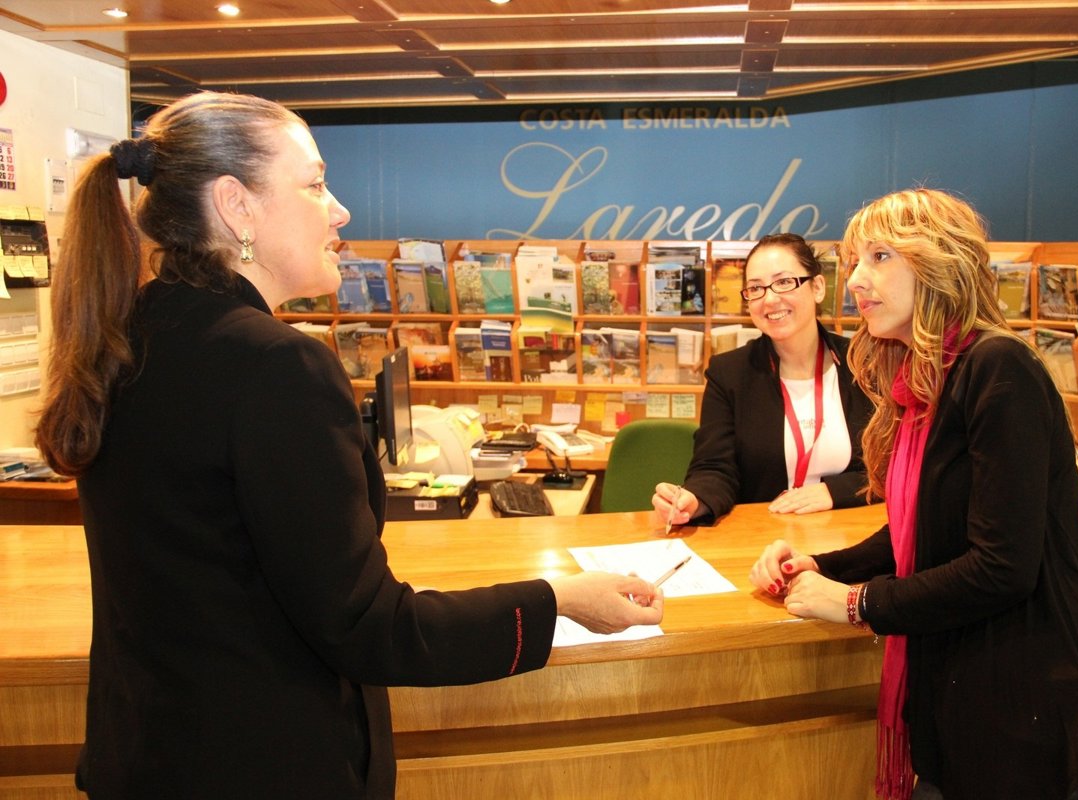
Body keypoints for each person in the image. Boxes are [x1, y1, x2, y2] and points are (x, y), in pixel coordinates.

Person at [34, 91, 663, 800]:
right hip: (267, 770)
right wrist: (557, 601)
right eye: (315, 184)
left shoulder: (127, 336)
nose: (340, 211)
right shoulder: (275, 365)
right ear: (237, 206)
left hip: (148, 760)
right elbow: (370, 629)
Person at [749, 189, 1078, 800]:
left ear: (939, 264)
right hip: (982, 730)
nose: (856, 281)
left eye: (880, 257)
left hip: (1056, 736)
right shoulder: (930, 380)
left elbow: (1002, 566)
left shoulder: (999, 367)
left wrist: (858, 602)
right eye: (854, 262)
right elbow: (925, 528)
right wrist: (821, 565)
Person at [652, 233, 872, 525]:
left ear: (817, 287)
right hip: (765, 536)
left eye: (784, 282)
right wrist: (695, 500)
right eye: (755, 288)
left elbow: (896, 464)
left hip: (853, 532)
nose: (769, 299)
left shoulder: (865, 363)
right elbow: (714, 468)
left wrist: (835, 491)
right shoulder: (729, 373)